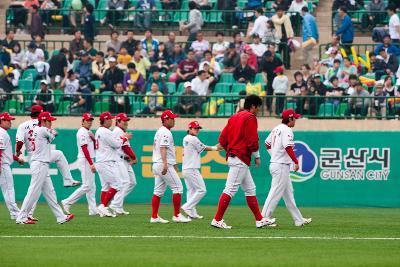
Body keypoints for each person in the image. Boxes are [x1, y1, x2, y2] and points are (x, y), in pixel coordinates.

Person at [211, 95, 276, 229]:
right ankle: (217, 219)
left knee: (250, 189)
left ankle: (259, 220)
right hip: (240, 157)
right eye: (258, 107)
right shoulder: (250, 117)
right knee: (229, 189)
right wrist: (257, 156)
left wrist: (221, 145)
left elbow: (223, 138)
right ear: (252, 106)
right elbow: (252, 139)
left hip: (236, 157)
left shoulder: (234, 116)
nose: (258, 110)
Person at [16, 112, 75, 225]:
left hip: (41, 162)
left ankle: (60, 217)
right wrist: (52, 132)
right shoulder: (41, 129)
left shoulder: (39, 130)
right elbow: (54, 134)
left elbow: (52, 134)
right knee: (33, 191)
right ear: (43, 121)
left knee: (50, 192)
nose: (51, 123)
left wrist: (51, 132)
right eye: (49, 121)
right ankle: (21, 217)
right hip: (39, 163)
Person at [263, 108, 312, 226]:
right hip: (280, 166)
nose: (296, 120)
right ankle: (263, 218)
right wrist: (296, 161)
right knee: (275, 192)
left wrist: (274, 155)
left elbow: (267, 143)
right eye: (294, 118)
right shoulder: (287, 130)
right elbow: (288, 147)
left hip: (278, 164)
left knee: (289, 194)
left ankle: (298, 220)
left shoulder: (277, 128)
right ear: (290, 118)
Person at [150, 110, 191, 223]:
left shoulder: (160, 131)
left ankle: (154, 217)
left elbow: (166, 150)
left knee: (158, 191)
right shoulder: (165, 132)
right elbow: (163, 148)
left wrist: (173, 163)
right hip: (162, 164)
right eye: (172, 118)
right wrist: (165, 164)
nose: (174, 120)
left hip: (157, 164)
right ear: (166, 119)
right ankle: (177, 215)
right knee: (178, 188)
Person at [95, 112, 132, 217]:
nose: (111, 121)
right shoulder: (105, 131)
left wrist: (121, 139)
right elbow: (116, 145)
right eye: (109, 119)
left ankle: (103, 207)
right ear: (105, 120)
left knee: (109, 185)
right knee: (116, 184)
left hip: (104, 160)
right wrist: (125, 138)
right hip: (106, 161)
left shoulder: (100, 130)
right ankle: (103, 207)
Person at [181, 121, 221, 219]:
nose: (197, 130)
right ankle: (187, 207)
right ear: (189, 129)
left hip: (186, 168)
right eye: (195, 128)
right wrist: (216, 148)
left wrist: (216, 148)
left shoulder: (186, 138)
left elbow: (200, 148)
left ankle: (191, 213)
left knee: (191, 190)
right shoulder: (192, 138)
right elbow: (204, 148)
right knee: (202, 190)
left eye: (198, 128)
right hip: (192, 168)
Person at [61, 113, 98, 216]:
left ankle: (93, 210)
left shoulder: (88, 132)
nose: (90, 122)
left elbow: (94, 147)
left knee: (92, 186)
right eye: (88, 120)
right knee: (87, 185)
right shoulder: (82, 132)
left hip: (89, 159)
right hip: (85, 160)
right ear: (82, 121)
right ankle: (67, 202)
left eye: (91, 120)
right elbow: (84, 148)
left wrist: (94, 139)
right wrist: (91, 163)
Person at [109, 113, 137, 215]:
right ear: (118, 121)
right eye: (123, 121)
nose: (126, 123)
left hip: (125, 160)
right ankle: (115, 205)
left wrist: (131, 157)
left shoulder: (121, 131)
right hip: (119, 159)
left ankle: (118, 205)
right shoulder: (118, 131)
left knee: (132, 182)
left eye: (126, 121)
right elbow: (125, 147)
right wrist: (133, 157)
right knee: (125, 182)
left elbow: (126, 147)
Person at [0, 112, 25, 220]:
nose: (10, 122)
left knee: (8, 189)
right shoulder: (1, 133)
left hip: (4, 162)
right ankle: (15, 213)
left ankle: (15, 212)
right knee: (9, 190)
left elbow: (6, 152)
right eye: (8, 120)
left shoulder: (3, 132)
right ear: (1, 121)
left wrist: (17, 159)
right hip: (3, 165)